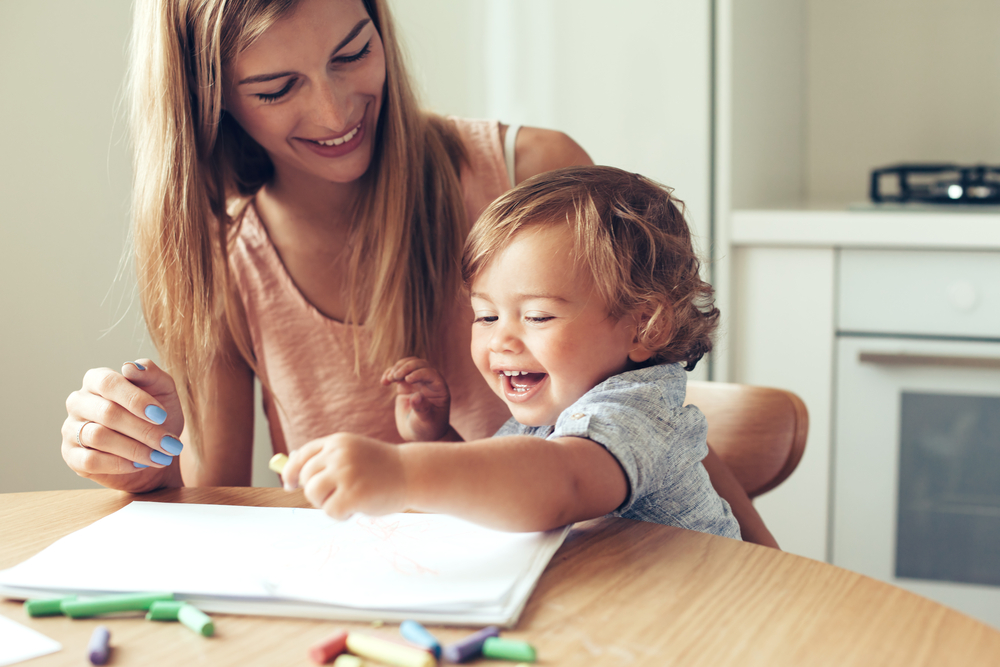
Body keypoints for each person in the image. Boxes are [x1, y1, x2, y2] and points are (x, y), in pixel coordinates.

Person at [60, 0, 775, 545]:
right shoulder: (223, 255)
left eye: (352, 53)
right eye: (278, 88)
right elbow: (214, 500)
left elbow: (646, 430)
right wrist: (145, 466)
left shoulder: (534, 183)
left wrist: (782, 582)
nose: (335, 110)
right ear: (210, 98)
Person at [280, 166, 741, 537]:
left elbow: (561, 484)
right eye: (486, 316)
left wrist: (403, 472)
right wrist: (440, 440)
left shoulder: (635, 408)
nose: (501, 340)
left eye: (538, 316)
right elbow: (508, 494)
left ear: (645, 326)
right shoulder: (554, 408)